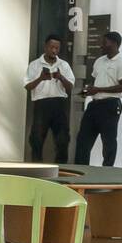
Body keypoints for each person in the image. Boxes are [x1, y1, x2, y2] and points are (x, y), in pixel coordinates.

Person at [75, 30, 122, 166]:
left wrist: (99, 89)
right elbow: (95, 82)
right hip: (94, 105)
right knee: (82, 140)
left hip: (110, 105)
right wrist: (88, 90)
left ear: (114, 44)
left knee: (108, 142)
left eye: (104, 42)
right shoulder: (99, 61)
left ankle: (106, 173)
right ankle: (81, 173)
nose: (101, 45)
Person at [24, 35, 74, 164]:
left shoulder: (64, 65)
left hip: (59, 104)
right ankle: (36, 169)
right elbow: (27, 86)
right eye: (52, 47)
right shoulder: (35, 64)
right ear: (45, 47)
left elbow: (70, 87)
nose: (54, 50)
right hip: (41, 105)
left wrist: (61, 77)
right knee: (36, 139)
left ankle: (61, 169)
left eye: (57, 48)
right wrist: (40, 78)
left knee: (62, 140)